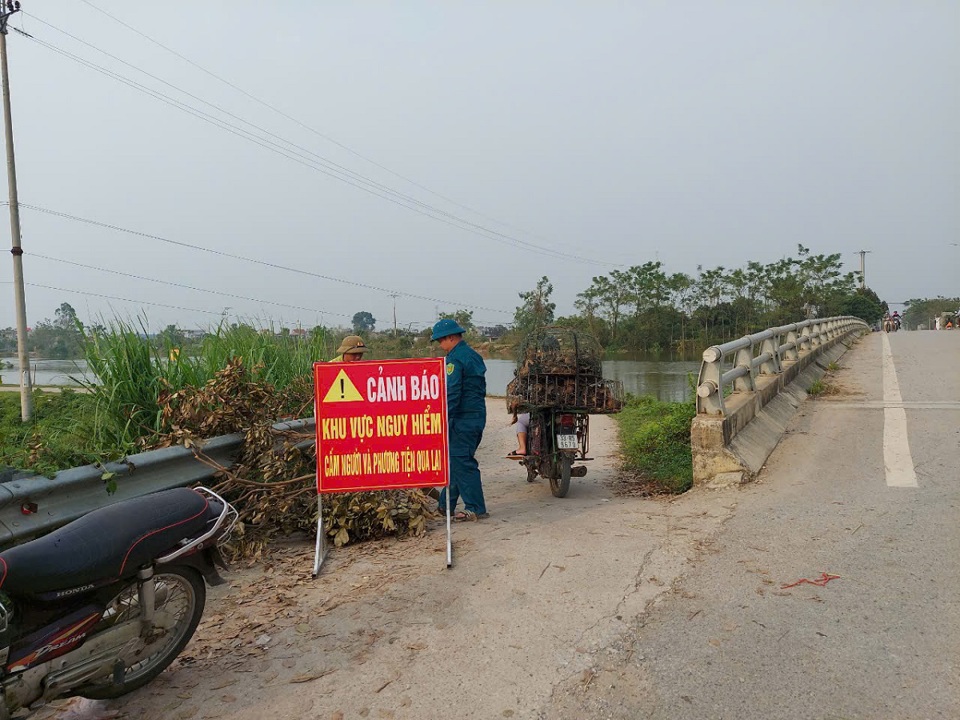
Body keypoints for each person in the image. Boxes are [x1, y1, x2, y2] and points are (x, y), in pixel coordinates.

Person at [431, 318, 488, 521]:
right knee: (455, 462)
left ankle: (476, 507)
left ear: (451, 337)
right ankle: (445, 505)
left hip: (462, 419)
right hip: (476, 416)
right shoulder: (473, 356)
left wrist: (442, 419)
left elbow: (452, 392)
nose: (440, 345)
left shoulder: (454, 359)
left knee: (463, 462)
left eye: (441, 341)